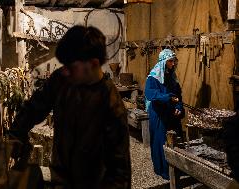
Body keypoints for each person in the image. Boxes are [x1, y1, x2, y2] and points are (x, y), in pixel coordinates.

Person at [10, 25, 131, 189]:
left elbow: (120, 172)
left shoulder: (112, 106)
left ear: (94, 64)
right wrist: (16, 134)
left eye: (71, 67)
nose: (65, 71)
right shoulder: (62, 80)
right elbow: (34, 107)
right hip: (60, 178)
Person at [144, 49, 184, 179]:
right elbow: (150, 94)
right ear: (163, 62)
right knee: (160, 141)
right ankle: (162, 170)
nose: (173, 64)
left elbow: (177, 96)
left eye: (174, 61)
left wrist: (179, 106)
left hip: (171, 114)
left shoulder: (172, 78)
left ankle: (177, 168)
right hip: (158, 114)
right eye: (170, 61)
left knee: (175, 140)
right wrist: (167, 97)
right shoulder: (153, 77)